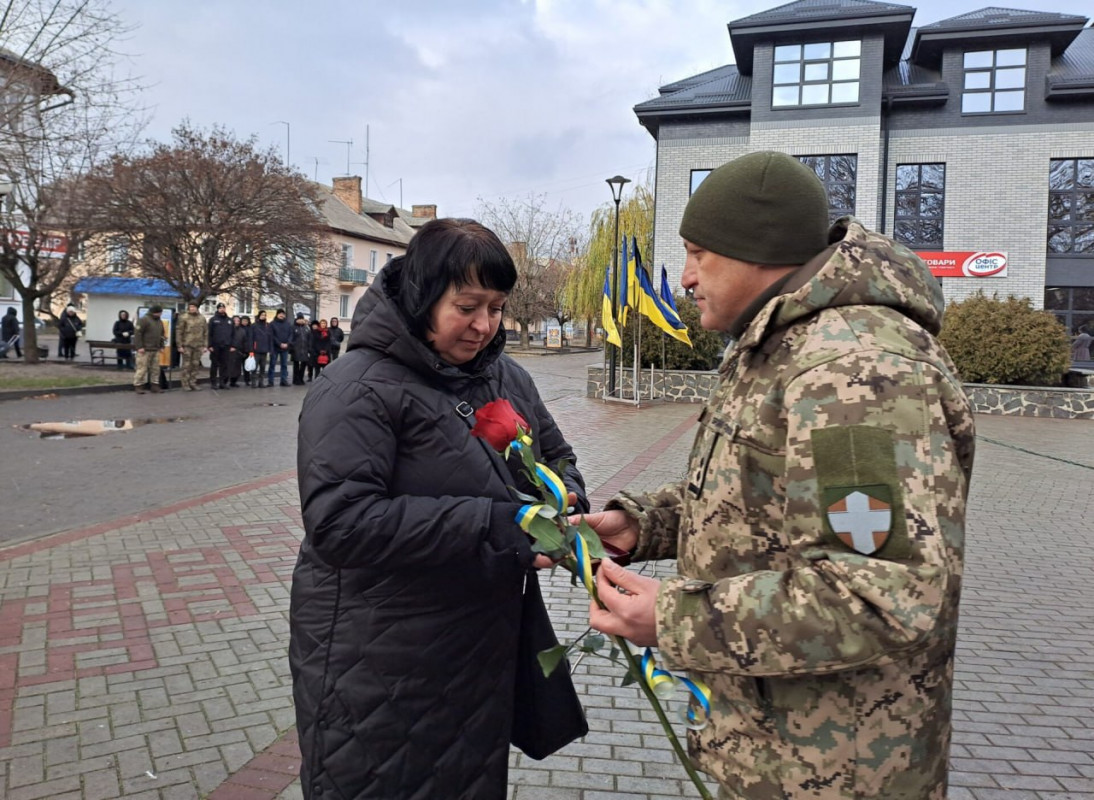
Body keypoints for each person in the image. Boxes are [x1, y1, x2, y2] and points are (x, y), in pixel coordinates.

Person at [582, 152, 976, 799]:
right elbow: (760, 493)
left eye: (697, 254)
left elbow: (877, 593)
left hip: (836, 774)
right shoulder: (783, 347)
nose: (684, 278)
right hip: (778, 754)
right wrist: (641, 525)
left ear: (755, 251)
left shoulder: (853, 368)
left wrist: (677, 620)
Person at [290, 218, 589, 800]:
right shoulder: (356, 386)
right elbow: (339, 522)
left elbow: (559, 456)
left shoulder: (504, 377)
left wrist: (564, 498)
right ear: (424, 298)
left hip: (478, 651)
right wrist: (499, 523)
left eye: (497, 308)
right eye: (467, 306)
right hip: (381, 657)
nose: (483, 326)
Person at [176, 300, 208, 391]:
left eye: (194, 307)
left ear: (197, 308)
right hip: (187, 345)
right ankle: (185, 383)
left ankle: (193, 382)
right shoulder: (184, 317)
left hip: (198, 345)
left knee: (195, 365)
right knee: (186, 365)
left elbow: (205, 332)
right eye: (191, 307)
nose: (192, 308)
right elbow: (179, 332)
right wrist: (179, 345)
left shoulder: (202, 318)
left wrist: (205, 345)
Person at [132, 305, 165, 394]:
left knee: (155, 369)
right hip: (145, 349)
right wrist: (139, 347)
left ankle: (155, 385)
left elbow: (162, 335)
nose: (161, 314)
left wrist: (161, 346)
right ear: (155, 312)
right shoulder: (144, 320)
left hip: (155, 349)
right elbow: (138, 334)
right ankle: (138, 385)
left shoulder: (159, 321)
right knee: (142, 368)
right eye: (160, 312)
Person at [207, 302, 233, 389]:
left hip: (226, 346)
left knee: (224, 365)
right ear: (218, 309)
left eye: (223, 308)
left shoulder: (229, 320)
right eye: (220, 308)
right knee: (214, 365)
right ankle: (213, 382)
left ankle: (222, 382)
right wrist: (209, 345)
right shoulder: (213, 320)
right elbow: (209, 334)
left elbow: (233, 334)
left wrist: (232, 345)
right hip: (215, 346)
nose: (222, 309)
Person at [269, 308, 292, 387]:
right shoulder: (272, 324)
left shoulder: (288, 324)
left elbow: (291, 334)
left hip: (285, 348)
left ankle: (283, 380)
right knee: (272, 364)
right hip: (275, 348)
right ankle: (270, 381)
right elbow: (272, 336)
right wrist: (279, 344)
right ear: (277, 314)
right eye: (280, 313)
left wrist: (287, 343)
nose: (281, 315)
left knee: (284, 365)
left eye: (283, 314)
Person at [250, 310, 272, 388]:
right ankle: (253, 383)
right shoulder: (254, 326)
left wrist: (270, 349)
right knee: (254, 367)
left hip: (264, 350)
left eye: (265, 315)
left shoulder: (267, 326)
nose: (264, 316)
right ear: (259, 315)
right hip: (256, 350)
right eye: (262, 315)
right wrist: (251, 349)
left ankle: (261, 382)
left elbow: (270, 338)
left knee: (262, 367)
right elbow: (251, 338)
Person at [290, 312, 311, 385]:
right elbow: (291, 338)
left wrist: (309, 348)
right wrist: (292, 347)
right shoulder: (293, 327)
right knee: (296, 365)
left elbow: (309, 338)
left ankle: (301, 378)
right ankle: (295, 379)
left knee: (303, 365)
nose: (301, 320)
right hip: (296, 349)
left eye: (302, 319)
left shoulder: (306, 328)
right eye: (299, 319)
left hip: (305, 349)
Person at [227, 314, 246, 387]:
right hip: (230, 351)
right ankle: (225, 381)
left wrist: (244, 351)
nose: (236, 322)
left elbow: (244, 341)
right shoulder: (228, 329)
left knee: (237, 368)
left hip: (239, 351)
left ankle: (234, 382)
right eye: (235, 320)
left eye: (238, 321)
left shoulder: (242, 331)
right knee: (229, 367)